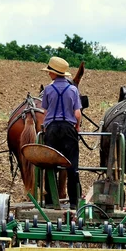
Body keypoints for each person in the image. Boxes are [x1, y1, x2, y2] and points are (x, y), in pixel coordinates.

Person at [40, 56, 82, 210]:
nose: (48, 74)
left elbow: (45, 112)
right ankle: (73, 202)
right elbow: (77, 113)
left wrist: (45, 126)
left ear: (53, 73)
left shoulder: (48, 89)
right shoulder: (73, 90)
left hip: (51, 129)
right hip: (68, 129)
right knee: (72, 166)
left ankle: (50, 202)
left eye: (49, 71)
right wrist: (76, 127)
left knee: (50, 165)